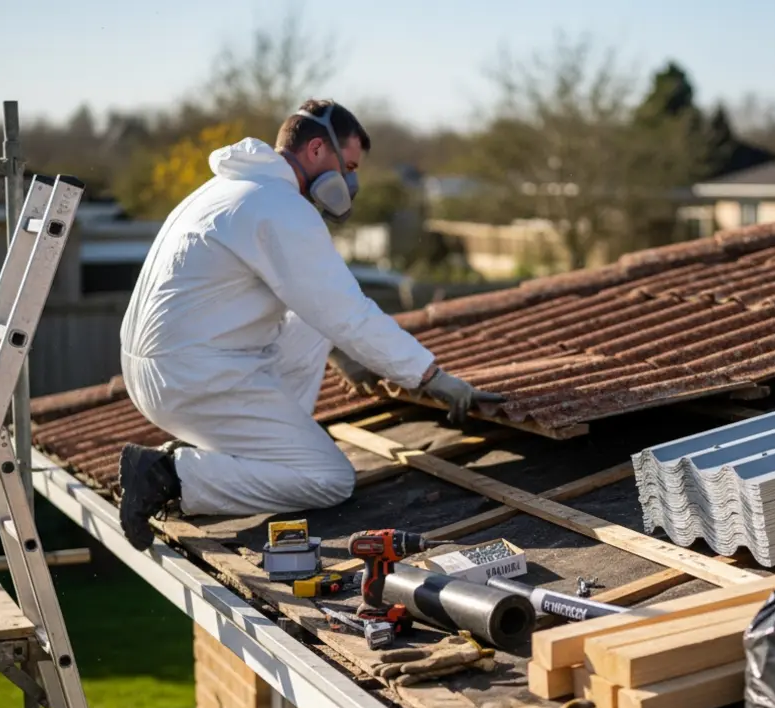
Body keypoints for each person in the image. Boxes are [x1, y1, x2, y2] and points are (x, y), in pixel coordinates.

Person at [115, 99, 502, 551]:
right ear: (317, 149)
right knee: (329, 479)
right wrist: (430, 376)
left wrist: (342, 352)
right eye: (350, 165)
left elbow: (319, 305)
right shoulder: (277, 206)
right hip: (192, 377)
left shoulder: (229, 189)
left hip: (172, 366)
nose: (352, 181)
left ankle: (247, 457)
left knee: (319, 320)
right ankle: (169, 475)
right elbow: (348, 311)